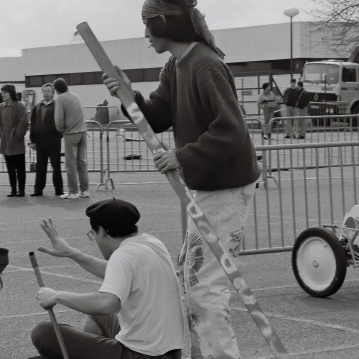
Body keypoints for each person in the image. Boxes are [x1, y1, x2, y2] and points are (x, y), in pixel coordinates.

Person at [103, 1, 261, 358]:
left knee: (205, 289)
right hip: (204, 187)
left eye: (147, 25)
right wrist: (129, 96)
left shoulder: (205, 64)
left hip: (225, 187)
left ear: (165, 23)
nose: (144, 35)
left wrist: (182, 155)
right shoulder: (176, 64)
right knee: (193, 282)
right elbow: (158, 116)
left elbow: (231, 127)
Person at [30, 199, 184, 359]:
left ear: (102, 231)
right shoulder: (151, 242)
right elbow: (117, 272)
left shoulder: (123, 255)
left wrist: (56, 296)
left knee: (43, 333)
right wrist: (71, 252)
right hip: (170, 352)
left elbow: (107, 303)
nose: (94, 239)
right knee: (100, 317)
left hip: (142, 355)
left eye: (93, 233)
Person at [53, 78, 90, 199]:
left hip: (70, 133)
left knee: (70, 164)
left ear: (57, 89)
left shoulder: (60, 99)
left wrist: (61, 129)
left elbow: (59, 119)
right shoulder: (75, 96)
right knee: (81, 162)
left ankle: (73, 191)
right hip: (82, 131)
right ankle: (85, 190)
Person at [0, 84, 29, 197]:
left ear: (11, 94)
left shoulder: (20, 106)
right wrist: (0, 132)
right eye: (2, 92)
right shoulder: (0, 107)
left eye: (5, 92)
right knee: (10, 168)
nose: (2, 95)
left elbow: (24, 122)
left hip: (16, 141)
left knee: (20, 168)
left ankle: (21, 190)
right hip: (6, 141)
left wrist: (17, 134)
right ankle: (13, 189)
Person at [29, 83, 64, 197]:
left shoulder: (57, 105)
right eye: (44, 91)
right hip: (40, 142)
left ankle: (59, 189)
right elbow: (33, 124)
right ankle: (38, 190)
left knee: (56, 166)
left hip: (54, 141)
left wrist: (59, 135)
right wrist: (33, 140)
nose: (46, 93)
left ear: (53, 93)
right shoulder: (37, 107)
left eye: (48, 91)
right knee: (40, 166)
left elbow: (61, 121)